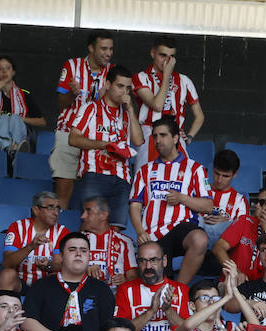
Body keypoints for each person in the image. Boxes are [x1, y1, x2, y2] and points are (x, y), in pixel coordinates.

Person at [129, 117, 213, 286]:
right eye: (155, 136)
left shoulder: (195, 169)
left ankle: (179, 290)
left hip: (182, 228)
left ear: (175, 138)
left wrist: (182, 198)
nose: (158, 140)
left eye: (163, 135)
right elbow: (135, 205)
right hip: (153, 234)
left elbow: (208, 206)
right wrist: (139, 232)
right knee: (157, 286)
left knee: (200, 239)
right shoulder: (145, 170)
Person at [22, 231, 115, 331]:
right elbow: (26, 322)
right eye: (72, 250)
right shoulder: (42, 286)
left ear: (89, 256)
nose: (78, 254)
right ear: (61, 256)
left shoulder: (102, 290)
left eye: (83, 250)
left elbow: (110, 328)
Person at [68, 65, 143, 229]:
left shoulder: (126, 113)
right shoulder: (91, 108)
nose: (124, 92)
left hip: (122, 178)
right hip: (95, 174)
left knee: (115, 228)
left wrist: (130, 109)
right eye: (120, 86)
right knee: (89, 224)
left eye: (128, 88)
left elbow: (138, 141)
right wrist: (102, 144)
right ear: (108, 84)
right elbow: (73, 139)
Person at [51, 31, 114, 208]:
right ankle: (59, 232)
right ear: (91, 48)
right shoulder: (72, 66)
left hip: (98, 138)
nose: (108, 53)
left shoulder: (113, 72)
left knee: (96, 199)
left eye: (110, 49)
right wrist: (72, 93)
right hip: (68, 131)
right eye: (103, 48)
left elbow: (117, 110)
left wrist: (105, 99)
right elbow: (61, 104)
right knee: (63, 191)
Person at [132, 36, 204, 165]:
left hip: (175, 136)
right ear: (153, 53)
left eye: (171, 57)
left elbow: (199, 116)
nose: (166, 61)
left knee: (180, 179)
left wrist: (189, 137)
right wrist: (167, 75)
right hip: (149, 135)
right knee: (146, 179)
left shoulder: (184, 80)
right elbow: (157, 106)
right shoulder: (141, 77)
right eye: (162, 55)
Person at [212, 185, 266, 277]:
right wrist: (235, 272)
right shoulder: (245, 221)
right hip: (234, 282)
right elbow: (218, 248)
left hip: (264, 286)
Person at [0, 190, 65, 292]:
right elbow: (7, 263)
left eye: (57, 208)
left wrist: (48, 266)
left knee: (55, 276)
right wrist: (30, 246)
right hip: (20, 282)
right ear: (36, 210)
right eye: (50, 207)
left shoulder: (62, 231)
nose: (56, 213)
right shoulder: (18, 227)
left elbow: (59, 265)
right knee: (7, 274)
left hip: (46, 286)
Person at [0, 56, 45, 152]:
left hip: (20, 137)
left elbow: (42, 122)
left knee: (14, 118)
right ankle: (11, 149)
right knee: (3, 118)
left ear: (13, 72)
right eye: (0, 69)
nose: (4, 72)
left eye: (8, 68)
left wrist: (21, 118)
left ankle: (14, 146)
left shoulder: (24, 94)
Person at [80, 196, 134, 289]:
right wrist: (83, 270)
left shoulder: (125, 242)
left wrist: (124, 279)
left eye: (88, 211)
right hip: (85, 292)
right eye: (83, 212)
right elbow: (66, 269)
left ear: (103, 215)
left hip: (115, 294)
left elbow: (132, 274)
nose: (82, 216)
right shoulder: (77, 240)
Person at [202, 148, 248, 247]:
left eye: (225, 176)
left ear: (235, 174)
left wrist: (225, 223)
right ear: (213, 169)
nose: (219, 180)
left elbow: (242, 232)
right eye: (217, 174)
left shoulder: (240, 201)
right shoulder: (200, 190)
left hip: (223, 249)